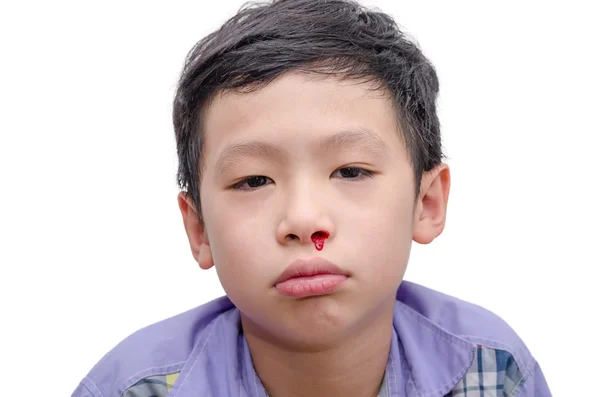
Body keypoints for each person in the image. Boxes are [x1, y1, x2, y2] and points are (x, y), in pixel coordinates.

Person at [71, 0, 551, 396]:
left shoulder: (493, 372)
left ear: (426, 203)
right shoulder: (132, 388)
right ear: (198, 230)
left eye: (350, 171)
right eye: (254, 181)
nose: (304, 220)